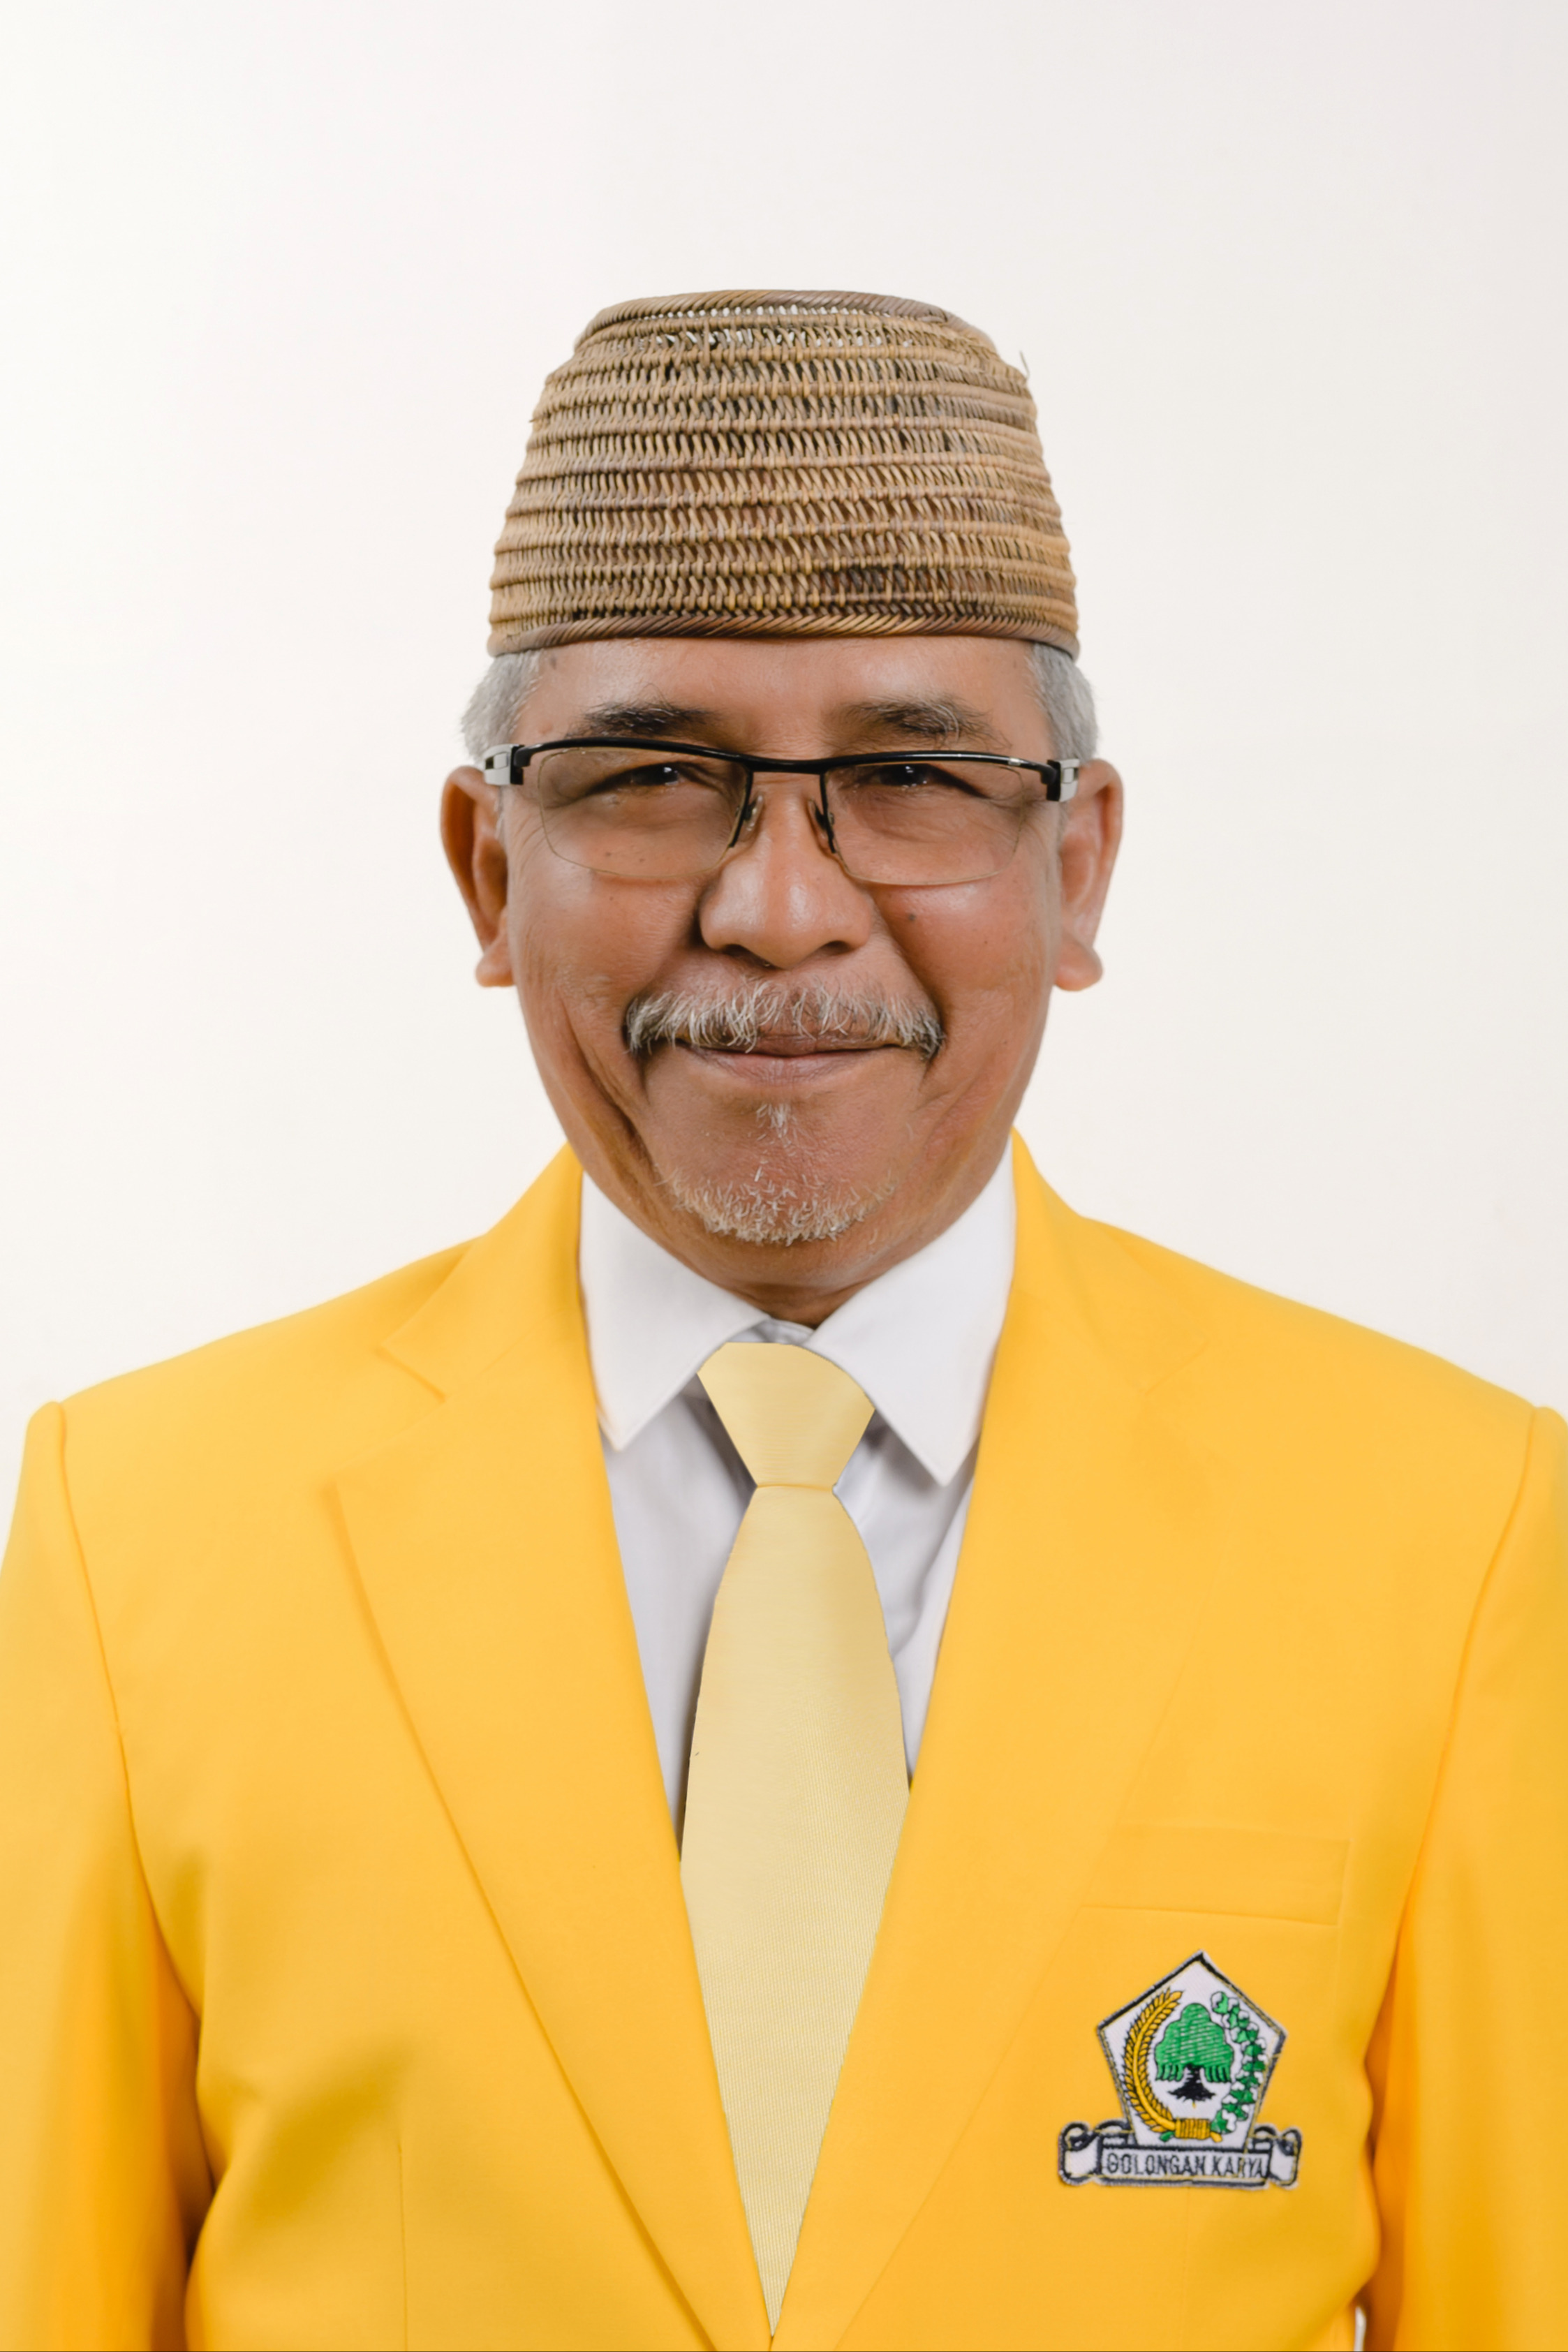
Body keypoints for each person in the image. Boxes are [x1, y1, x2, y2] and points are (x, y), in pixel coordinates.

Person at [0, 290, 1562, 2352]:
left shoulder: (1450, 1531)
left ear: (1079, 866)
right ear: (489, 870)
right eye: (656, 776)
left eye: (909, 774)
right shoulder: (139, 1534)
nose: (782, 906)